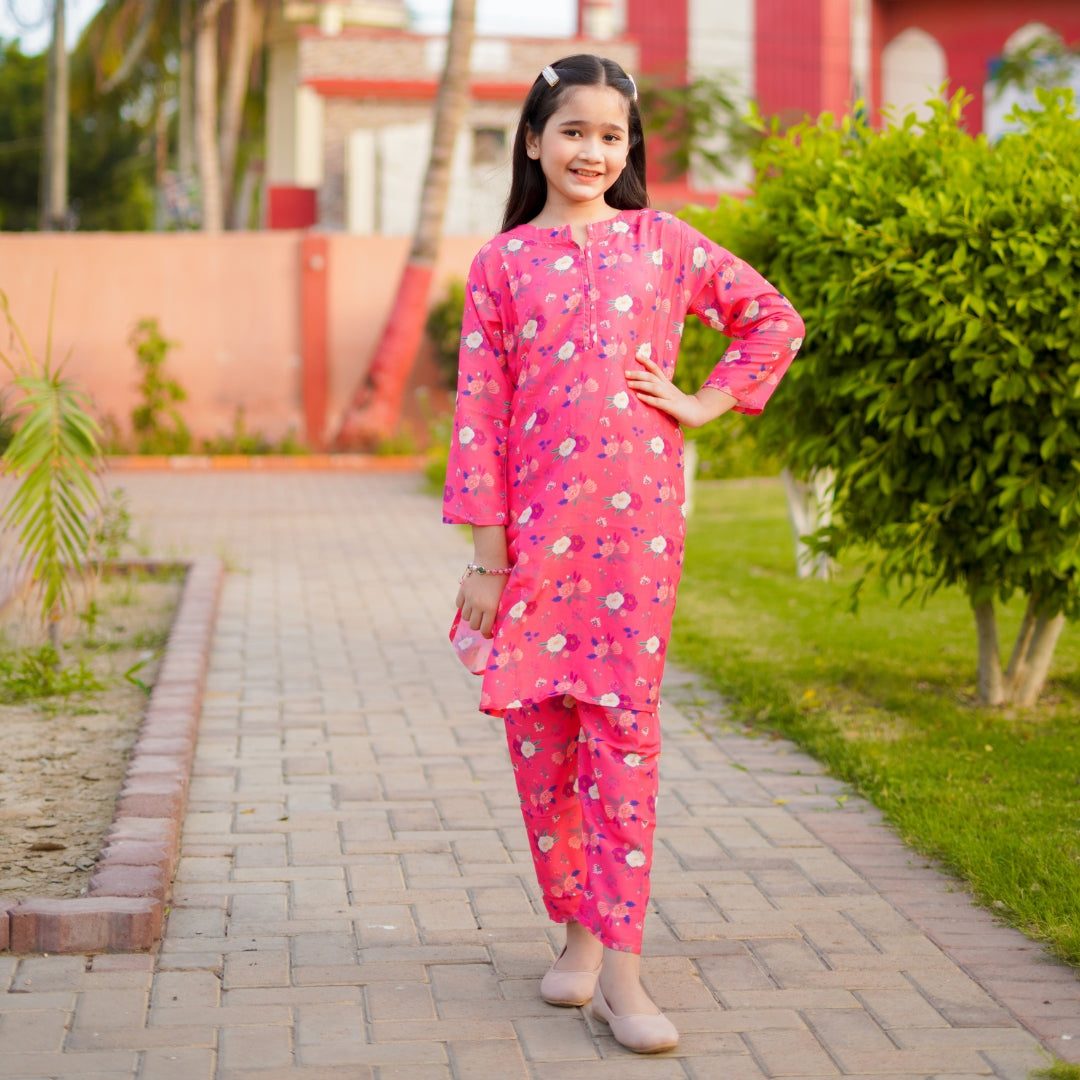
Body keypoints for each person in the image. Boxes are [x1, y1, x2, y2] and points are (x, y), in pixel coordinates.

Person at [443, 53, 803, 1054]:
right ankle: (577, 937)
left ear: (629, 147)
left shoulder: (664, 243)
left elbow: (772, 320)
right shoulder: (501, 264)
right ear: (533, 140)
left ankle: (624, 975)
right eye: (573, 131)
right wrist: (487, 560)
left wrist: (705, 403)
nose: (592, 151)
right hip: (531, 549)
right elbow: (479, 416)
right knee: (541, 743)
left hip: (634, 542)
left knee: (622, 740)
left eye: (612, 135)